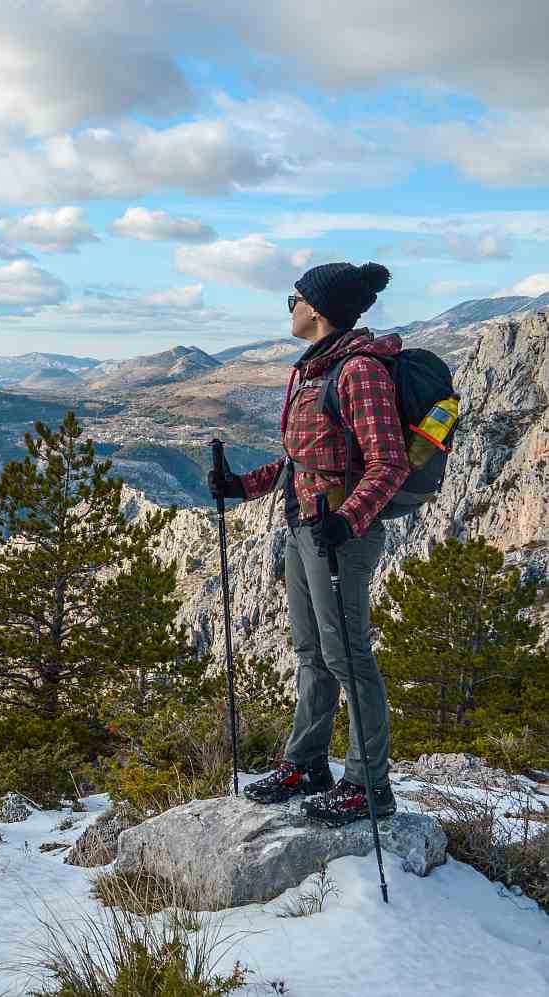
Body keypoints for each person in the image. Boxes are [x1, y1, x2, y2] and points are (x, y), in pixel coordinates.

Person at [208, 261, 407, 827]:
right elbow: (302, 460)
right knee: (309, 651)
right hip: (301, 526)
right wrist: (240, 487)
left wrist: (348, 521)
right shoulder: (310, 370)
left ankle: (370, 784)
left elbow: (389, 462)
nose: (288, 308)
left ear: (315, 310)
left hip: (339, 534)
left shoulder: (358, 371)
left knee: (348, 656)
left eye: (291, 299)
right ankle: (306, 763)